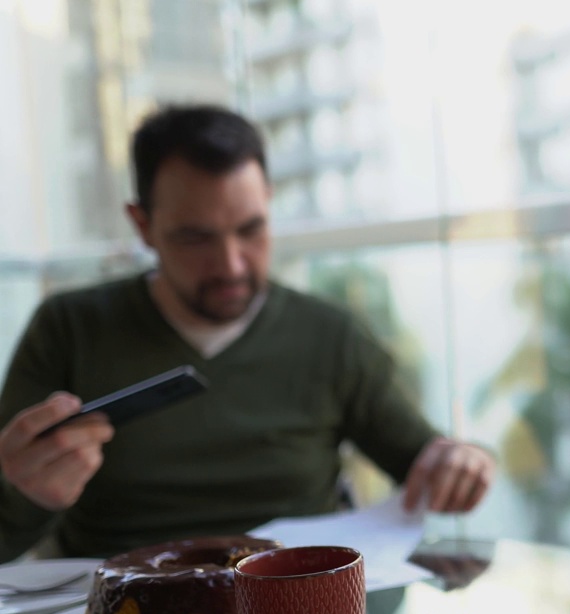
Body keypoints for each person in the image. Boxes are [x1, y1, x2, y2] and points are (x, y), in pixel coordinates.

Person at [0, 105, 495, 563]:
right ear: (142, 225)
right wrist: (27, 495)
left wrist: (465, 461)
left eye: (251, 229)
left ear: (270, 205)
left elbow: (429, 464)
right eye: (196, 237)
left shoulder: (327, 335)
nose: (231, 264)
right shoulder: (69, 329)